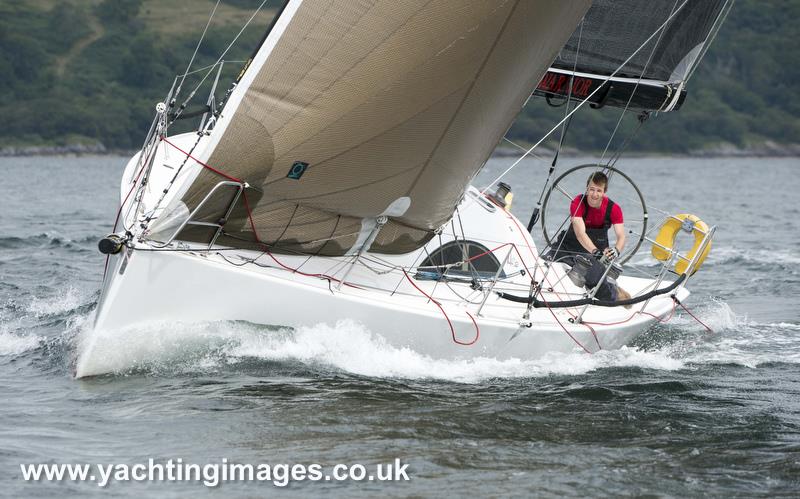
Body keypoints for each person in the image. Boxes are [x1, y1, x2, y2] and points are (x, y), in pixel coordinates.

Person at [548, 171, 625, 265]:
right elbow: (580, 233)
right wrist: (595, 252)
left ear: (604, 192)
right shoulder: (577, 202)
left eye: (599, 190)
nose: (594, 194)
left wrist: (616, 250)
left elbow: (621, 236)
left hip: (596, 256)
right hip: (567, 248)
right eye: (592, 189)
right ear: (587, 189)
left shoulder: (614, 209)